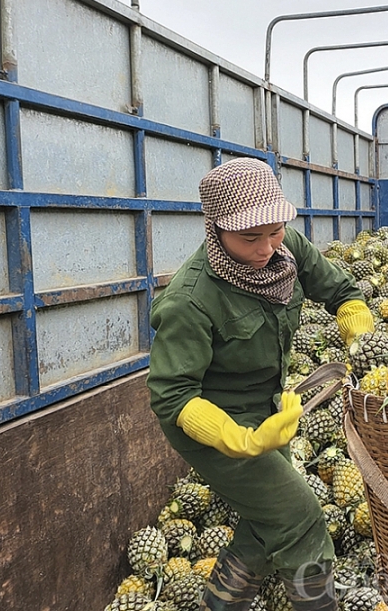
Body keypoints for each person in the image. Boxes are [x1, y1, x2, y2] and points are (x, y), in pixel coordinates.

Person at [147, 158, 374, 611]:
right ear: (215, 230)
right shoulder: (190, 300)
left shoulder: (284, 246)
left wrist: (356, 323)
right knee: (299, 519)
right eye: (250, 238)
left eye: (273, 232)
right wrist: (239, 439)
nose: (266, 247)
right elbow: (172, 395)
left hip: (271, 407)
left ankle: (220, 603)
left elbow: (341, 290)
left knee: (267, 517)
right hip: (212, 423)